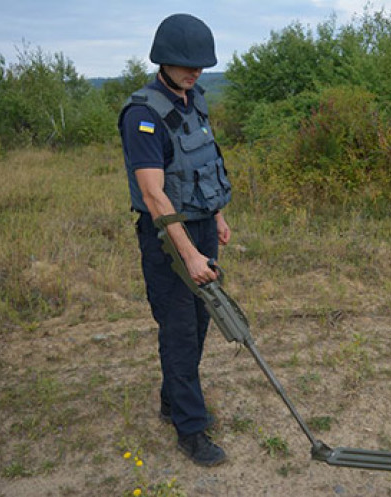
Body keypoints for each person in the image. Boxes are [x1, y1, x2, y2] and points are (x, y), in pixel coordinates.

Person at [118, 13, 232, 467]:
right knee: (181, 332)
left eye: (201, 65)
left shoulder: (195, 99)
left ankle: (172, 402)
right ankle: (191, 430)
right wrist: (189, 255)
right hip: (169, 238)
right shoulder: (143, 115)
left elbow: (204, 160)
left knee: (201, 324)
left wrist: (217, 216)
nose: (195, 72)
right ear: (163, 59)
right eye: (187, 64)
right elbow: (152, 192)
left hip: (203, 226)